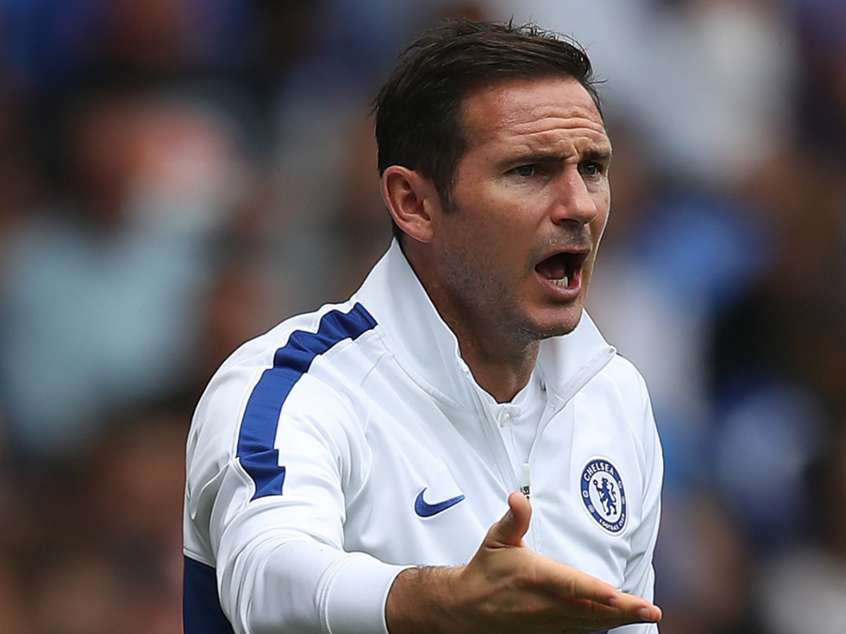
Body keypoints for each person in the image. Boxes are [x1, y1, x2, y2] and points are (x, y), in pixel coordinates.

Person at [183, 19, 663, 634]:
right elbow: (265, 578)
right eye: (529, 171)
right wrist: (440, 602)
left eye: (592, 167)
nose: (580, 206)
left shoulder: (614, 397)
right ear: (414, 203)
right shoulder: (294, 389)